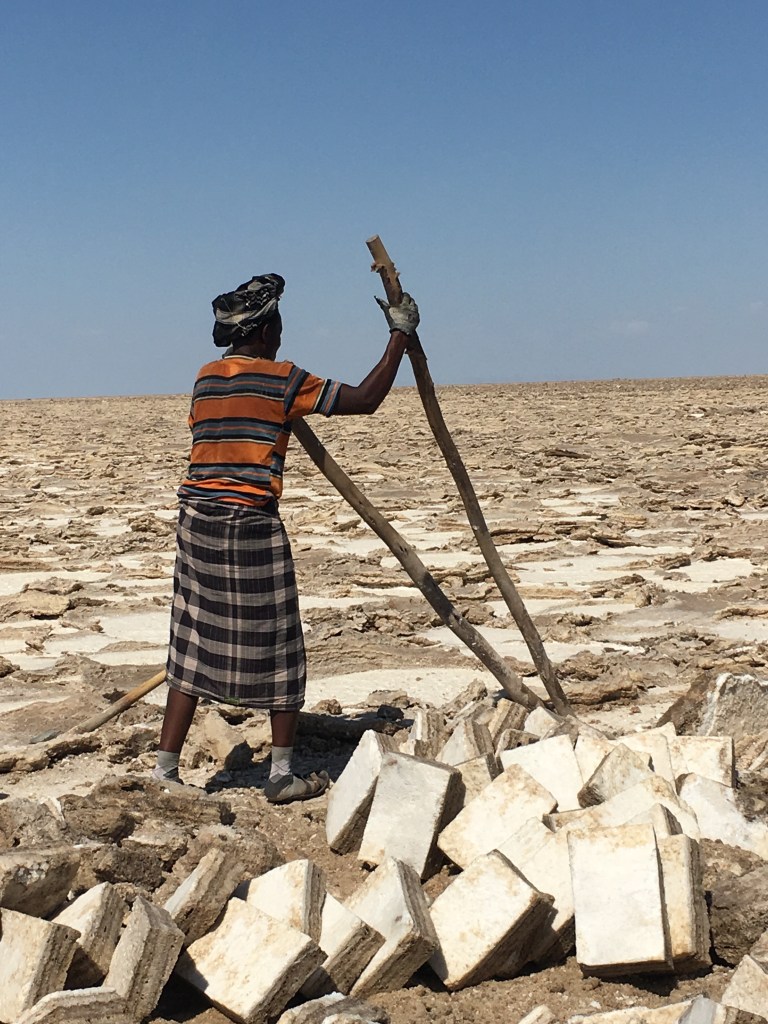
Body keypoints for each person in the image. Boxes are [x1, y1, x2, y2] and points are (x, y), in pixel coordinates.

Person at [153, 273, 419, 803]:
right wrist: (400, 336)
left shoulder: (206, 378)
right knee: (279, 642)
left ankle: (164, 770)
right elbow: (365, 399)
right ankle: (280, 774)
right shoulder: (284, 380)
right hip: (250, 523)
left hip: (196, 523)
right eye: (278, 326)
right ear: (267, 329)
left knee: (190, 639)